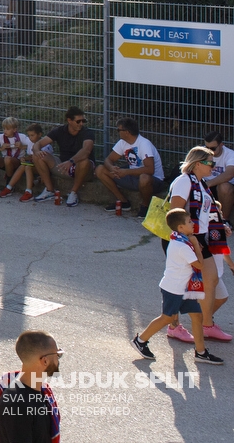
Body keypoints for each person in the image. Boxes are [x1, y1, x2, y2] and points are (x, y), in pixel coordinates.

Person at [130, 207, 224, 366]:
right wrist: (196, 243)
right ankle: (140, 340)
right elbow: (200, 265)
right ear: (180, 227)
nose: (192, 223)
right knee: (167, 318)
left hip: (186, 289)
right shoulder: (184, 246)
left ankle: (201, 353)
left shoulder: (179, 239)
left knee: (197, 316)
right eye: (189, 222)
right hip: (174, 289)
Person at [166, 146, 230, 342]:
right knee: (179, 284)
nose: (213, 166)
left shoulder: (202, 184)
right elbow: (174, 213)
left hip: (200, 238)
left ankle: (206, 325)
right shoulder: (184, 181)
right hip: (184, 238)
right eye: (210, 163)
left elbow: (207, 213)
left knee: (211, 281)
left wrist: (221, 225)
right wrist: (189, 239)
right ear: (197, 164)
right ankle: (173, 326)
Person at [0, 331, 63, 443]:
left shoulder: (40, 391)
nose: (58, 359)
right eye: (57, 355)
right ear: (45, 361)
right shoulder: (16, 403)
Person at [94, 117, 165, 215]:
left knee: (144, 178)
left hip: (153, 181)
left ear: (127, 132)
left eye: (119, 130)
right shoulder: (122, 143)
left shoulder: (144, 144)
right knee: (100, 169)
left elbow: (150, 170)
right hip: (133, 176)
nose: (118, 132)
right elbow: (108, 159)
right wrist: (112, 168)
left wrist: (126, 172)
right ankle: (123, 202)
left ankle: (145, 206)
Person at [32, 107, 94, 204]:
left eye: (83, 121)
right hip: (63, 166)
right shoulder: (59, 131)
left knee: (84, 161)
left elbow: (86, 150)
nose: (81, 124)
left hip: (82, 169)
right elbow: (38, 144)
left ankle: (73, 193)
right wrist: (36, 151)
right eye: (78, 121)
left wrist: (71, 161)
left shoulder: (87, 132)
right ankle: (49, 190)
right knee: (37, 156)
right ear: (69, 120)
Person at [0, 117, 34, 198]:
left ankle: (9, 184)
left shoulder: (21, 137)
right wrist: (0, 148)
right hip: (5, 162)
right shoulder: (1, 137)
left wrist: (22, 147)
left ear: (14, 130)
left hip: (17, 162)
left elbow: (32, 145)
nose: (5, 131)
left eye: (7, 129)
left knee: (7, 159)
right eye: (4, 128)